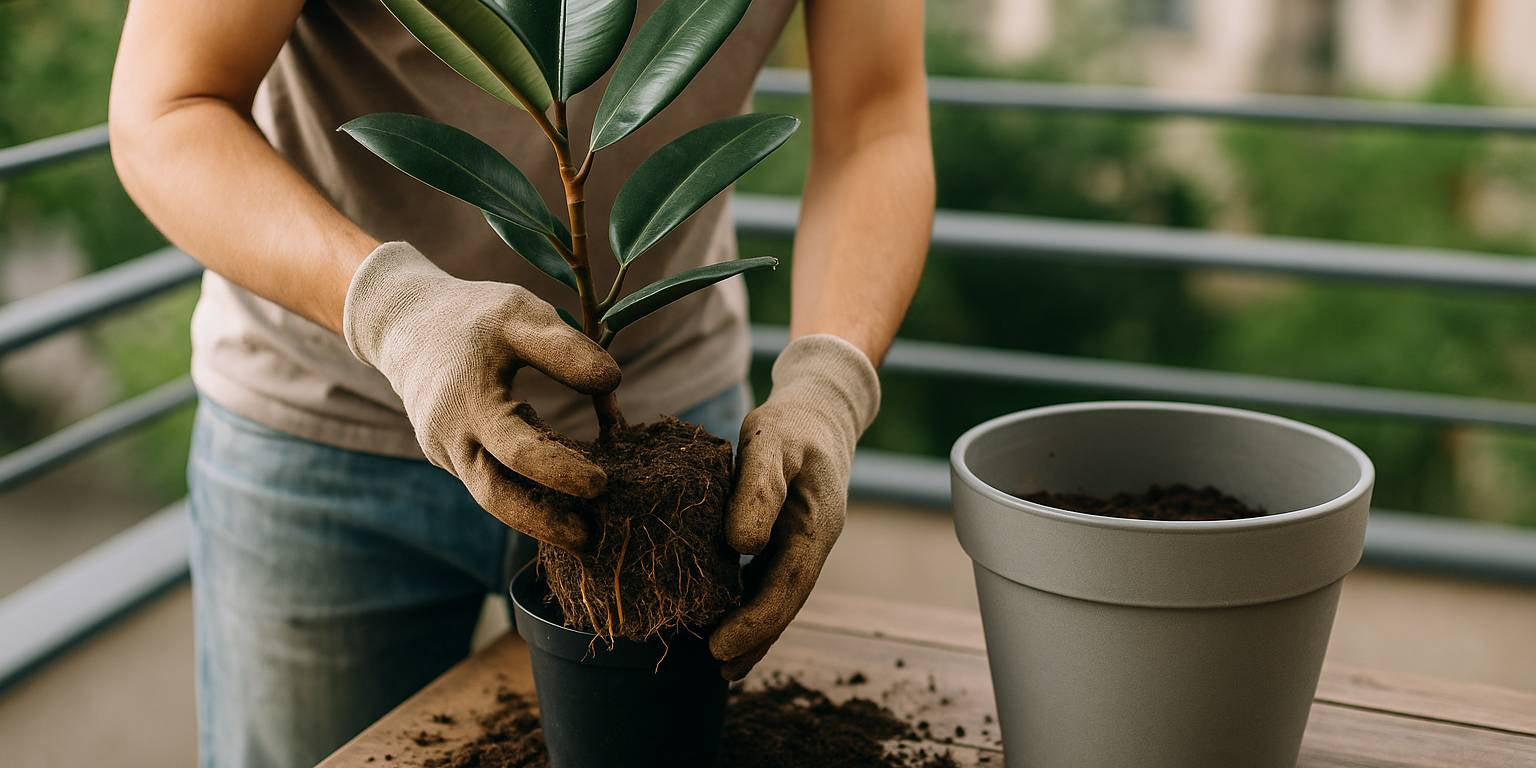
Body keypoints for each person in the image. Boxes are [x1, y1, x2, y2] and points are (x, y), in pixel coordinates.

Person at [109, 0, 933, 764]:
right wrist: (396, 312)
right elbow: (168, 107)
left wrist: (830, 382)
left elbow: (876, 120)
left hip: (667, 441)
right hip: (328, 426)